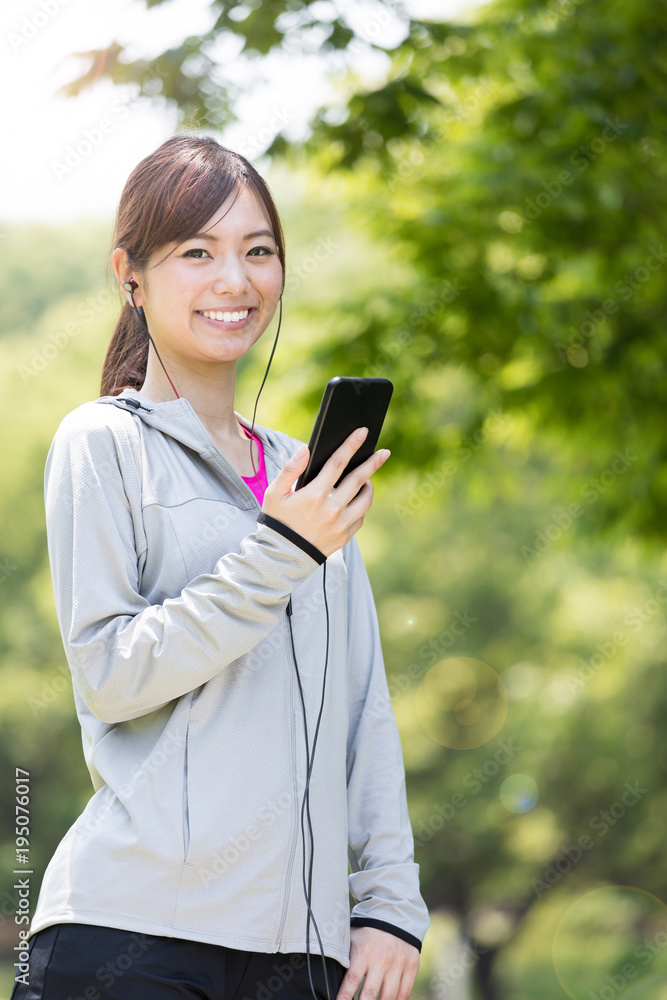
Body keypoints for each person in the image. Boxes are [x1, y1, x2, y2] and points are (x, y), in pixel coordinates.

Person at [11, 134, 430, 1000]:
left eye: (258, 251)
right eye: (197, 252)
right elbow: (113, 675)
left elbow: (362, 704)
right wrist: (278, 551)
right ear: (131, 273)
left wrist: (389, 905)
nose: (234, 281)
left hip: (301, 954)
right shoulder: (103, 442)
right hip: (131, 935)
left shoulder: (301, 474)